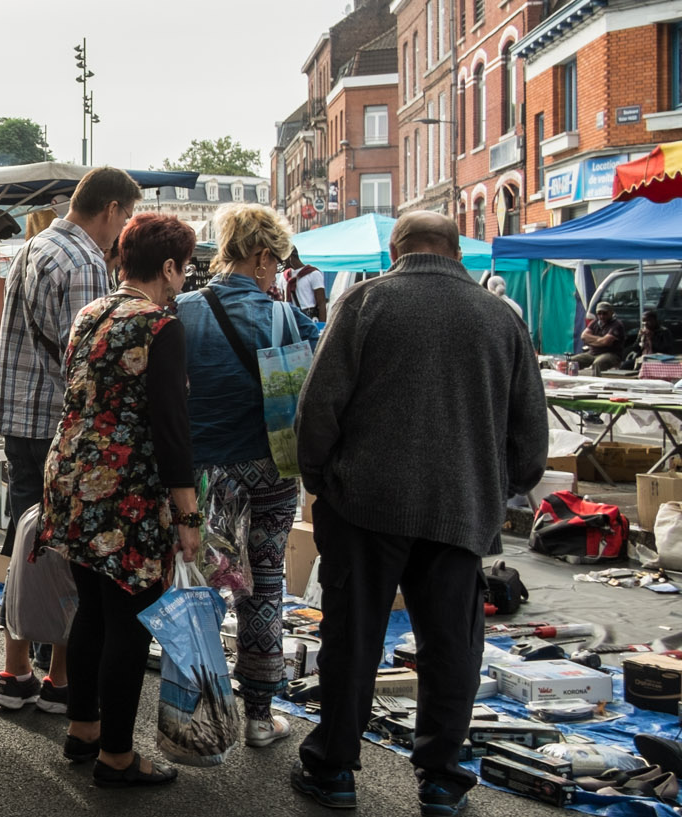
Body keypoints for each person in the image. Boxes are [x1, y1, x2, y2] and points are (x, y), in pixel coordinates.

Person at [290, 211, 547, 815]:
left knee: (351, 640)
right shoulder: (500, 317)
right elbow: (531, 440)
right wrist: (492, 485)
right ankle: (440, 779)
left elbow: (318, 407)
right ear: (456, 251)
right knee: (451, 647)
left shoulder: (365, 303)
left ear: (397, 249)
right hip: (461, 508)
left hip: (365, 503)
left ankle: (334, 770)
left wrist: (320, 479)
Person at [45, 212, 198, 788]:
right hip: (125, 488)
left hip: (71, 477)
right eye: (183, 269)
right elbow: (171, 429)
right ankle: (116, 755)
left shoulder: (92, 313)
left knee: (92, 608)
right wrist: (188, 516)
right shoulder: (160, 325)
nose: (184, 279)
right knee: (129, 621)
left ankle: (83, 728)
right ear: (167, 267)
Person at [0, 167, 141, 714]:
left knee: (25, 540)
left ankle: (14, 669)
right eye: (125, 218)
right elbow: (89, 361)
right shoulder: (82, 261)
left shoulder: (36, 245)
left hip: (20, 414)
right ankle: (59, 676)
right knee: (62, 550)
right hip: (57, 419)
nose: (122, 232)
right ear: (113, 209)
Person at [174, 204, 319, 747]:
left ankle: (195, 714)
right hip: (272, 473)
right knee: (263, 587)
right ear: (261, 257)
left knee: (202, 588)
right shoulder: (288, 319)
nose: (279, 272)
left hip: (206, 476)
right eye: (278, 262)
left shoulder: (181, 312)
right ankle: (259, 717)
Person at [573, 303, 629, 375]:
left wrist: (590, 341)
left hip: (610, 354)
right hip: (592, 353)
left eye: (605, 313)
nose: (602, 316)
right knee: (572, 361)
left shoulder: (616, 324)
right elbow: (583, 336)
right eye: (599, 313)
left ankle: (597, 381)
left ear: (611, 313)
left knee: (598, 364)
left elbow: (606, 342)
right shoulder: (595, 322)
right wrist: (600, 340)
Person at [283, 250, 328, 321]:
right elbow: (283, 300)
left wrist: (322, 326)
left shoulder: (313, 274)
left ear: (289, 257)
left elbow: (321, 303)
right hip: (291, 318)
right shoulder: (285, 277)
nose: (280, 262)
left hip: (309, 318)